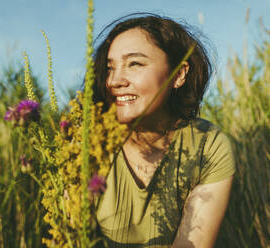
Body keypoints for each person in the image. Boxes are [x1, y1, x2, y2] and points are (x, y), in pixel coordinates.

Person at [92, 13, 236, 247]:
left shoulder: (208, 146)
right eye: (110, 68)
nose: (114, 81)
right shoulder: (84, 144)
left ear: (178, 74)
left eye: (134, 63)